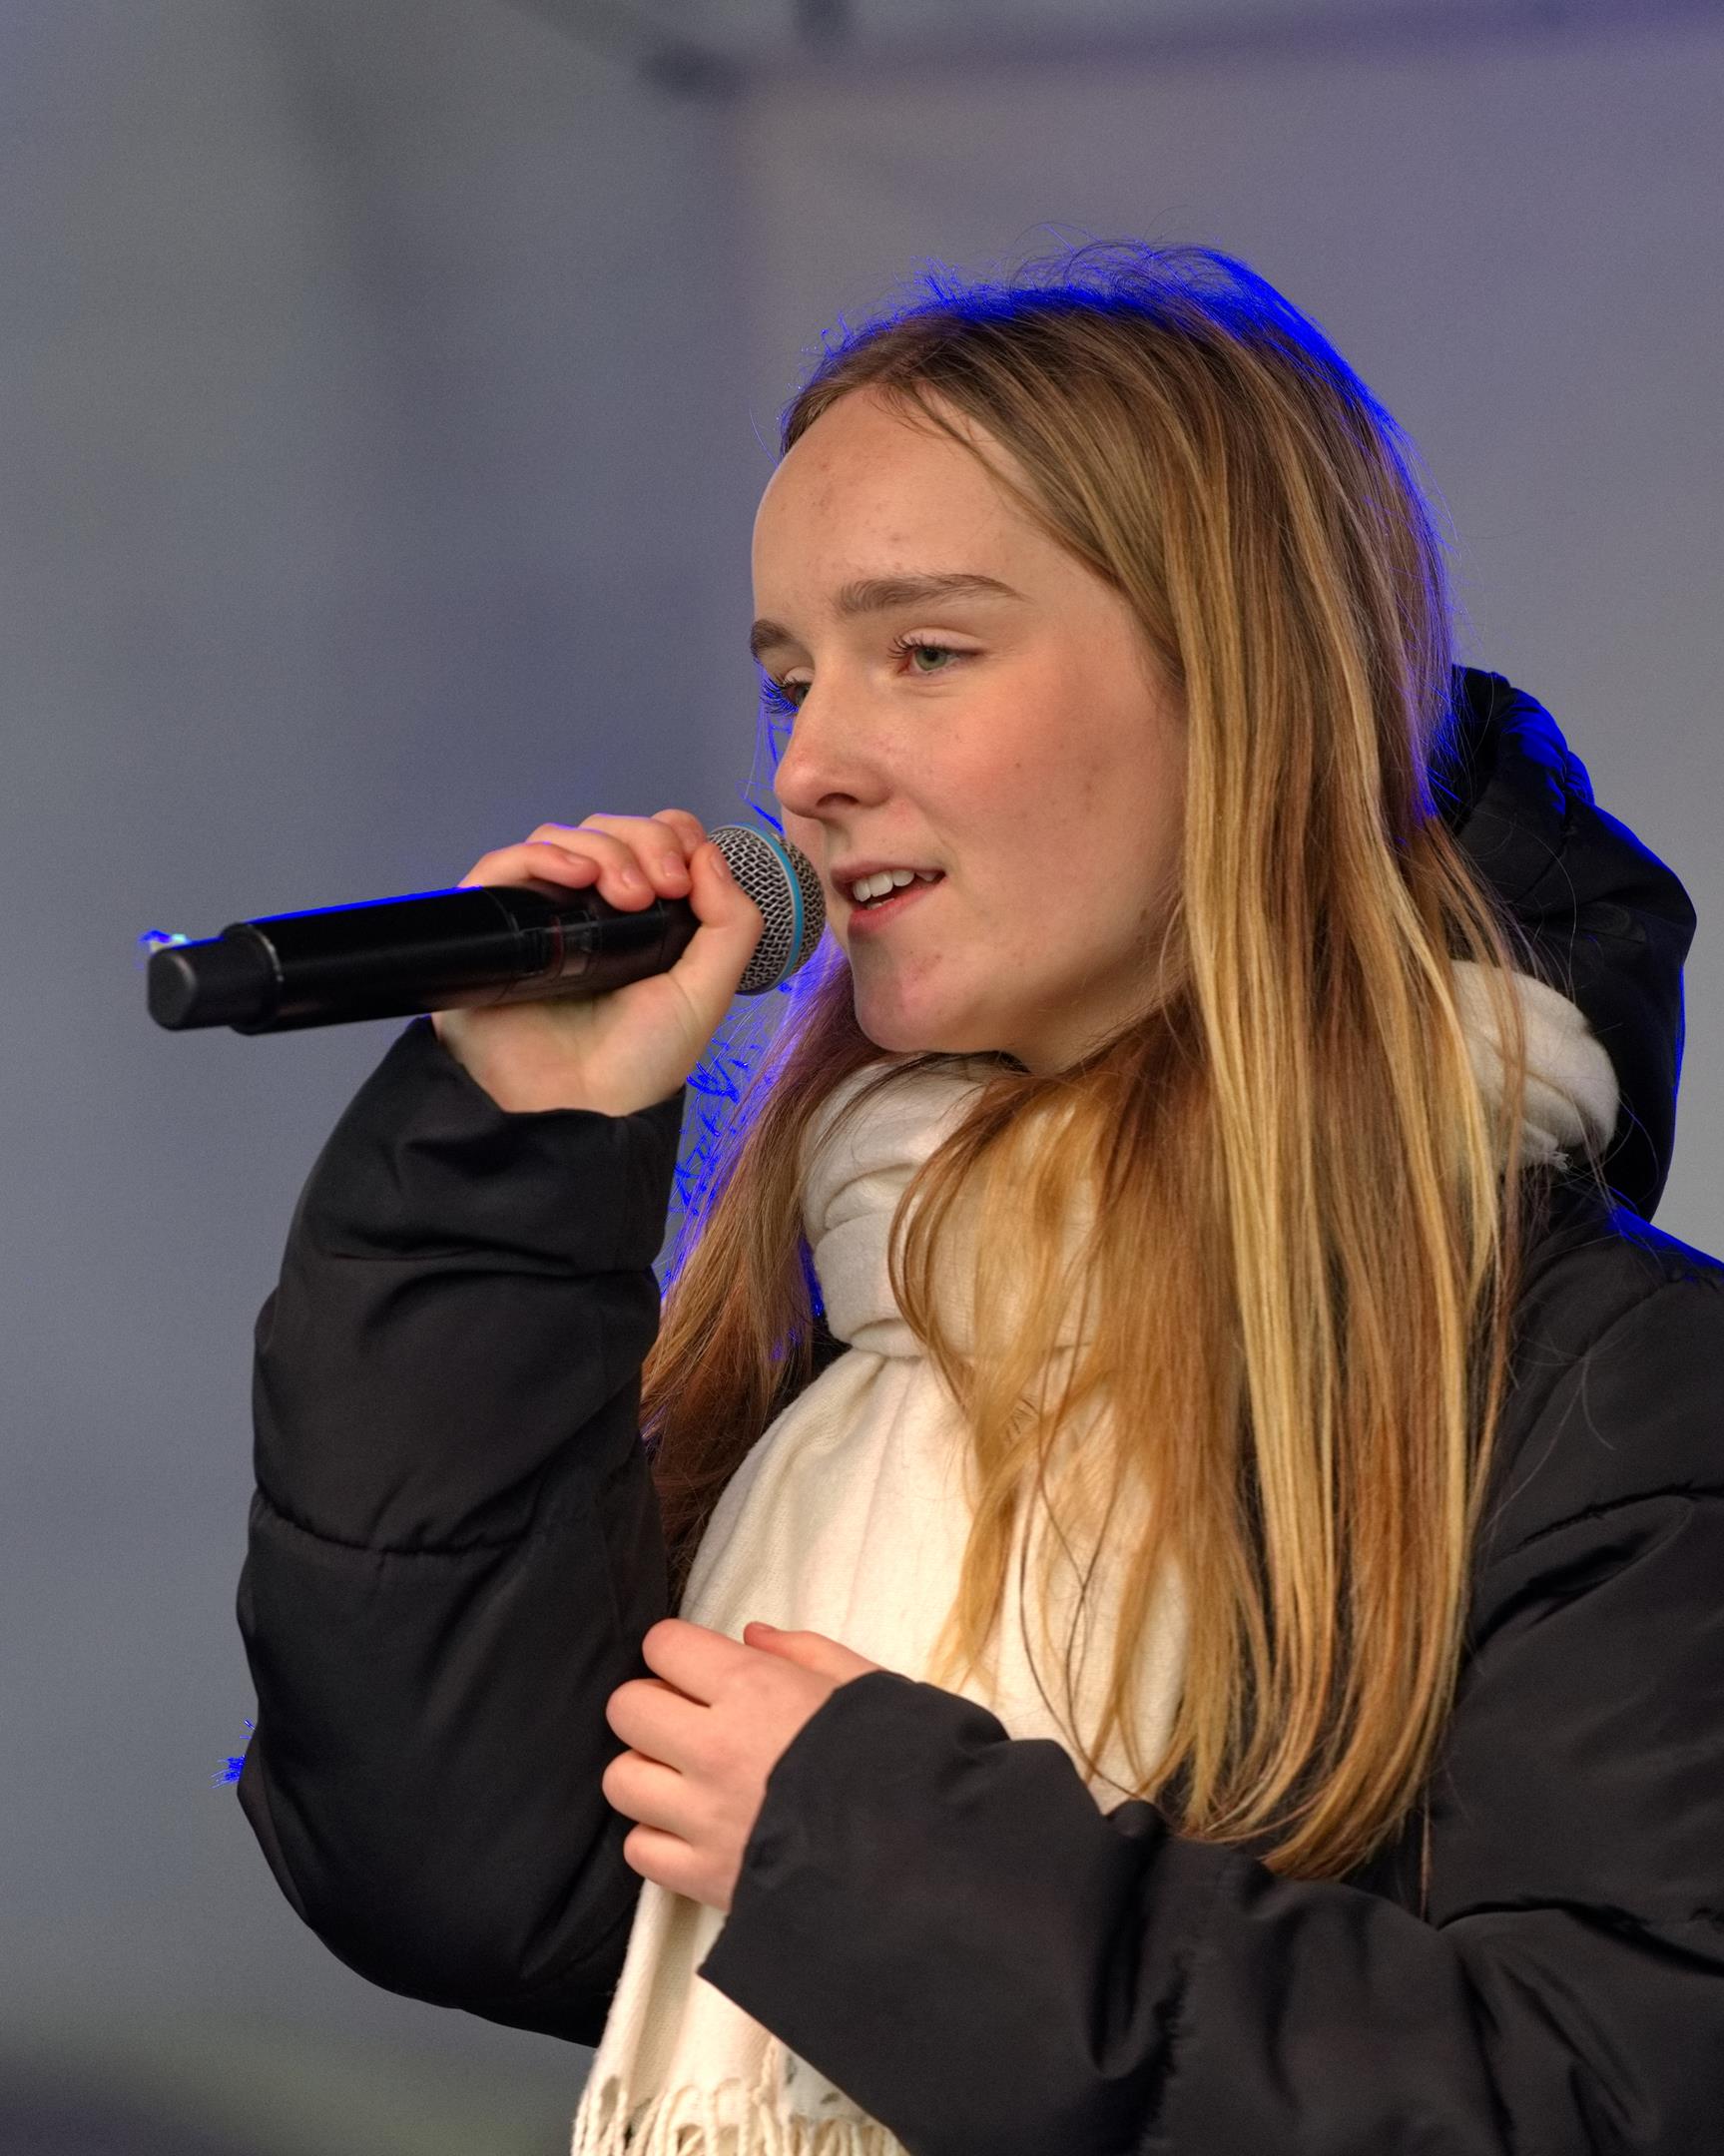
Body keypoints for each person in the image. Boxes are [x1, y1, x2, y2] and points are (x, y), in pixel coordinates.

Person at [235, 242, 1720, 2154]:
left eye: (924, 653)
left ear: (1245, 692)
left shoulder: (1606, 1389)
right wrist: (503, 1165)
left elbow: (1606, 2096)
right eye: (789, 682)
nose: (810, 769)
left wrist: (875, 1855)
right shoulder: (854, 1321)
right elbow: (456, 1868)